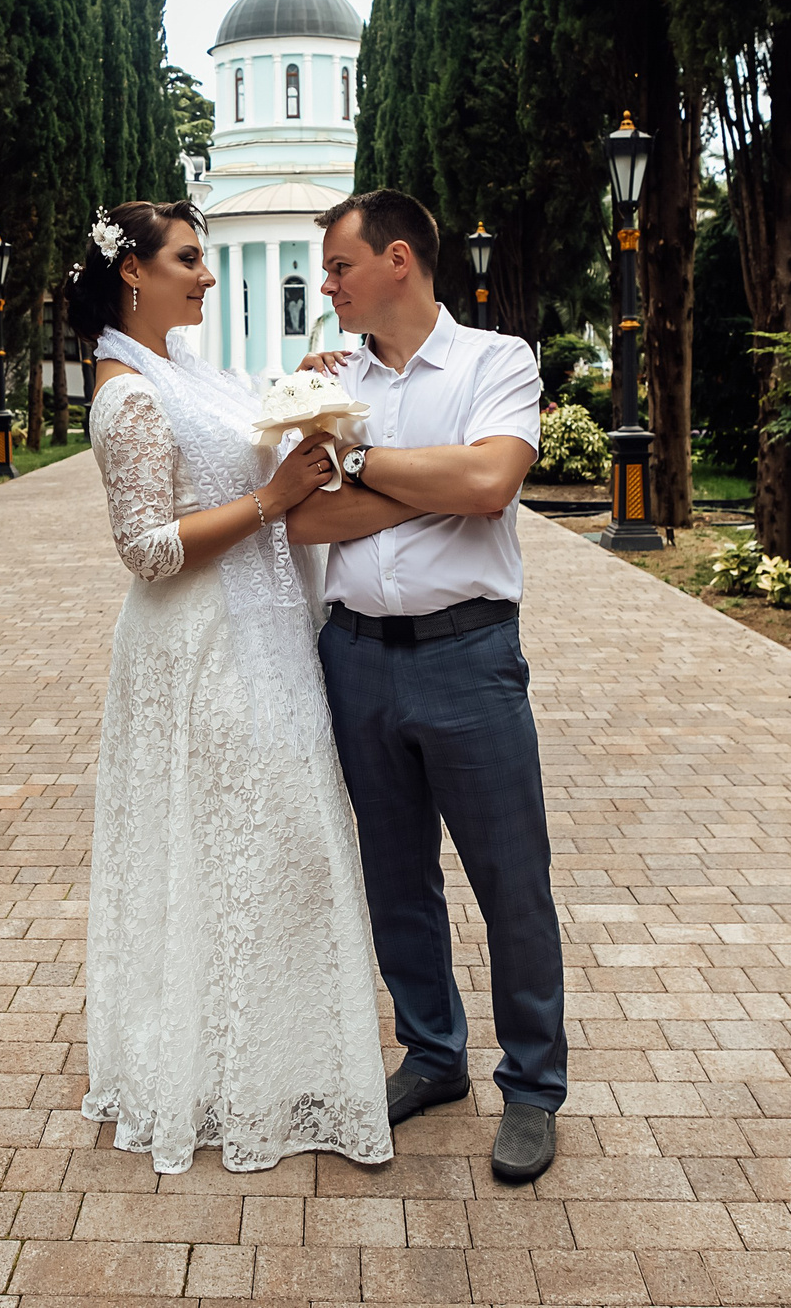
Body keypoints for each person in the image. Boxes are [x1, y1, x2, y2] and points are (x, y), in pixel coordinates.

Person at [71, 198, 394, 1175]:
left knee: (279, 845)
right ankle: (211, 1076)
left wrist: (296, 393)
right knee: (246, 842)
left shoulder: (183, 367)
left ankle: (273, 1058)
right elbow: (148, 549)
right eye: (188, 260)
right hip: (201, 649)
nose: (206, 276)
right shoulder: (126, 392)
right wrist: (270, 501)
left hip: (267, 636)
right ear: (134, 271)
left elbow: (230, 432)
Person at [284, 188, 565, 1184]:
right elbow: (303, 523)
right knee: (395, 879)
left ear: (398, 260)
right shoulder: (322, 384)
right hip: (354, 653)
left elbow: (490, 486)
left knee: (510, 884)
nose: (326, 285)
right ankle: (433, 1055)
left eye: (341, 267)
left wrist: (362, 465)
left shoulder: (497, 362)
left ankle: (531, 1087)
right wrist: (426, 488)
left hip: (468, 654)